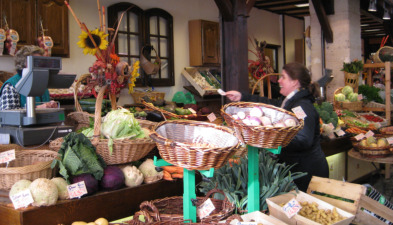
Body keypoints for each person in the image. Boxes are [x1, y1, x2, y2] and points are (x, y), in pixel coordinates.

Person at [225, 62, 329, 192]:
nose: (279, 80)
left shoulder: (300, 106)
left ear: (294, 82)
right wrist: (242, 97)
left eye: (283, 77)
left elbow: (304, 139)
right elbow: (272, 104)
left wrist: (274, 139)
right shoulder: (290, 101)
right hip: (299, 171)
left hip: (308, 175)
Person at [0, 45, 57, 110]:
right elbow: (8, 115)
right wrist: (37, 108)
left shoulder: (42, 84)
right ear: (23, 64)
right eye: (35, 62)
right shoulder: (11, 86)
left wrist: (51, 105)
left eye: (41, 62)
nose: (40, 65)